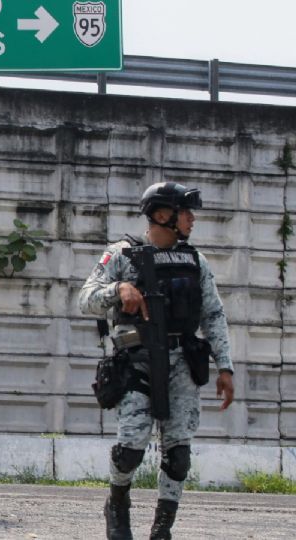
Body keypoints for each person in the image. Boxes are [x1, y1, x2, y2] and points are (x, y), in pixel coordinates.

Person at [78, 182, 235, 540]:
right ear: (163, 215)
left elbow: (213, 315)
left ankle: (162, 528)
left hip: (182, 362)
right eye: (185, 212)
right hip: (137, 359)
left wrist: (225, 367)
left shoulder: (195, 261)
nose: (192, 219)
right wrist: (118, 290)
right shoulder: (122, 254)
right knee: (130, 449)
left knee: (178, 453)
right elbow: (84, 299)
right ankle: (117, 503)